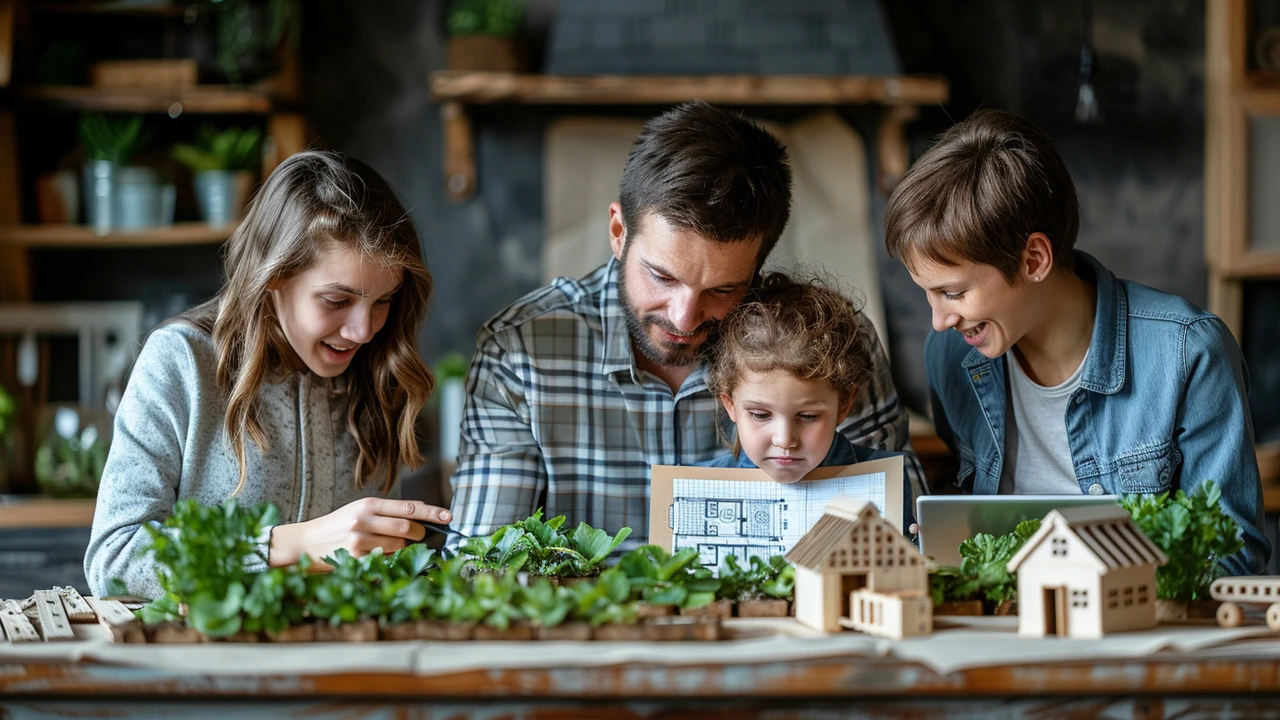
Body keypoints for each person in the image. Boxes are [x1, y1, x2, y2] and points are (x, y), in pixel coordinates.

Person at [449, 100, 925, 545]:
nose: (683, 318)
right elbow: (481, 568)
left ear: (759, 265)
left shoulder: (829, 343)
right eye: (661, 276)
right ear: (619, 232)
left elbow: (899, 538)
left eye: (722, 289)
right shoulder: (519, 352)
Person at [883, 109, 1269, 574]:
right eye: (926, 293)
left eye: (954, 292)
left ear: (1034, 259)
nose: (940, 320)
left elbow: (1232, 558)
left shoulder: (1190, 353)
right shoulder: (949, 355)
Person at [85, 150, 453, 598]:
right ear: (273, 277)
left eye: (382, 301)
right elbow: (115, 561)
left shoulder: (378, 374)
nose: (363, 331)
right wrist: (293, 545)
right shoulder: (181, 361)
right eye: (336, 301)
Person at [700, 274, 914, 527]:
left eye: (808, 416)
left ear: (843, 405)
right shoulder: (700, 487)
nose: (784, 440)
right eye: (760, 415)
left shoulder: (885, 481)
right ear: (730, 405)